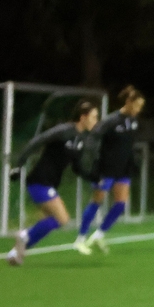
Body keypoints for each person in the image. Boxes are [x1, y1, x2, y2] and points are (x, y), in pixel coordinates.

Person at [6, 100, 99, 265]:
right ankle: (24, 236)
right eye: (93, 117)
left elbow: (77, 168)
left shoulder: (81, 139)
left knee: (51, 221)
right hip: (39, 180)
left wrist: (95, 178)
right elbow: (37, 142)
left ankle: (15, 253)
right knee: (62, 219)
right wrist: (19, 166)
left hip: (50, 183)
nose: (96, 121)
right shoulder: (64, 131)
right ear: (83, 117)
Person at [75, 85, 145, 253]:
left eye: (141, 107)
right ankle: (81, 238)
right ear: (128, 102)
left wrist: (132, 161)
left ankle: (99, 235)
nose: (138, 109)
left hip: (123, 169)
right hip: (106, 168)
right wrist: (90, 160)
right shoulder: (111, 120)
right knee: (97, 201)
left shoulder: (134, 121)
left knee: (120, 204)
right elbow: (93, 138)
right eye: (137, 106)